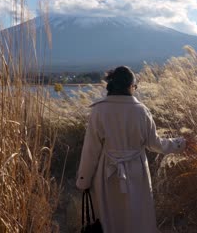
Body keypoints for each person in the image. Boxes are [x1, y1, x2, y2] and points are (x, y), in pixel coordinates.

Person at [76, 66, 188, 233]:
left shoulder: (99, 111)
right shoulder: (142, 111)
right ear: (130, 86)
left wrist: (83, 181)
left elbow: (90, 151)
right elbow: (155, 144)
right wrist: (181, 143)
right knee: (137, 219)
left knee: (110, 221)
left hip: (107, 175)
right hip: (137, 174)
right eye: (135, 86)